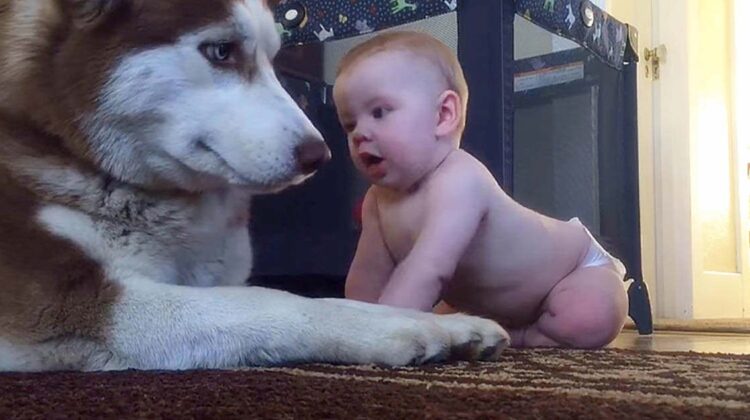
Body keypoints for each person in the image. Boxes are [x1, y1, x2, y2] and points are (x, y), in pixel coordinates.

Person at [332, 30, 628, 348]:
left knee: (590, 316)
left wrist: (382, 333)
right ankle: (489, 330)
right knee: (445, 316)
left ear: (443, 115)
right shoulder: (377, 201)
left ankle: (520, 337)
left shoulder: (459, 179)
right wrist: (352, 325)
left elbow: (429, 268)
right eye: (350, 124)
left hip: (573, 272)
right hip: (486, 304)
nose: (360, 133)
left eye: (379, 112)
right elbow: (366, 276)